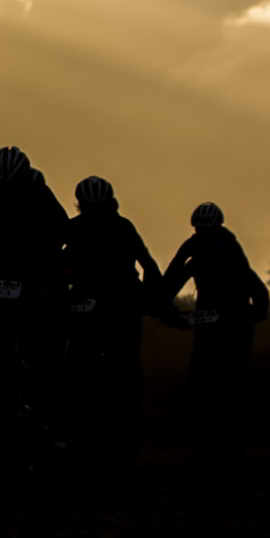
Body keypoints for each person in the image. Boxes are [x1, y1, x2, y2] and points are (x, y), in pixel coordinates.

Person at [0, 146, 71, 466]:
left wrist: (45, 270)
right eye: (0, 183)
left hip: (34, 272)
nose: (6, 190)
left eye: (12, 183)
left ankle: (50, 413)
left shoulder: (39, 193)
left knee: (43, 352)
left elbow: (63, 231)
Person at [59, 175, 163, 464]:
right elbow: (148, 264)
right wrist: (156, 296)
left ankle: (93, 429)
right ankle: (123, 423)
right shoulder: (122, 226)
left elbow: (54, 264)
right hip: (117, 304)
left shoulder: (76, 227)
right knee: (122, 367)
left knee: (82, 368)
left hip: (101, 305)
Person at [161, 201, 269, 457]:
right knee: (199, 369)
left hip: (234, 316)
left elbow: (256, 288)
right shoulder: (197, 250)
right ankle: (201, 426)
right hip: (211, 316)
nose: (205, 238)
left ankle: (242, 421)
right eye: (200, 232)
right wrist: (164, 308)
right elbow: (171, 280)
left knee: (236, 368)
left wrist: (256, 313)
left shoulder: (227, 249)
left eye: (209, 233)